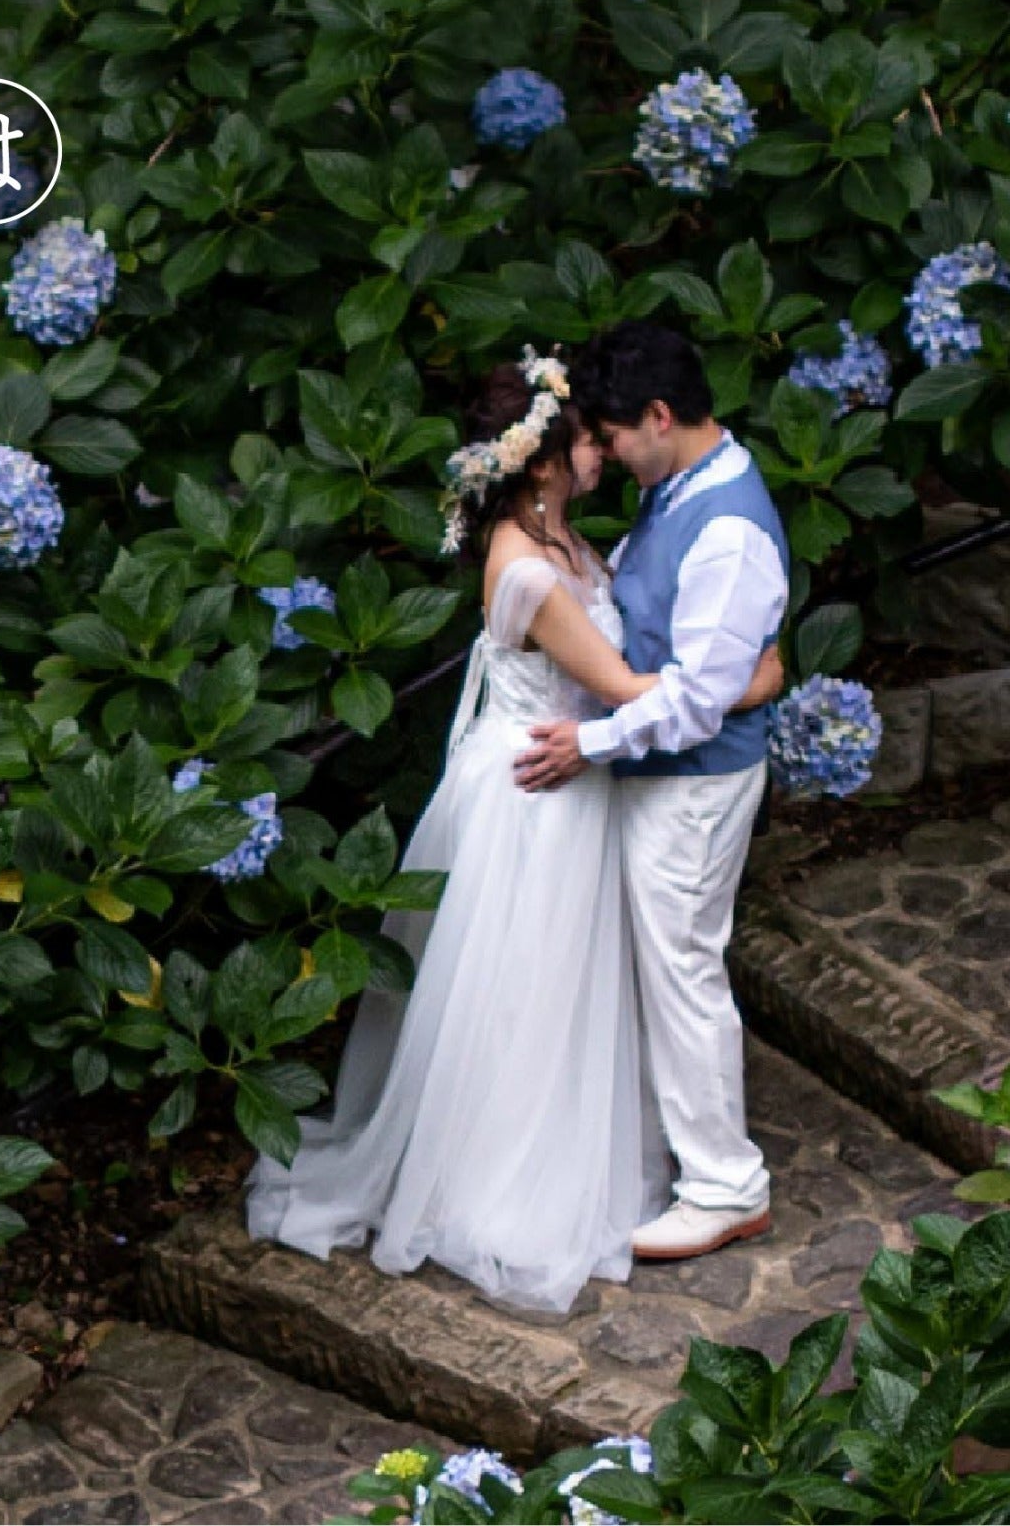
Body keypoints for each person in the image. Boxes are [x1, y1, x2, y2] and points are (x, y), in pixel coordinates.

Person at [243, 350, 784, 1315]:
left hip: (578, 781)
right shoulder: (529, 568)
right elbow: (626, 687)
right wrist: (753, 680)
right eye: (586, 442)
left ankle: (604, 1157)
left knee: (564, 984)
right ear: (541, 462)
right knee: (523, 989)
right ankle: (500, 1181)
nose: (601, 454)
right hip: (541, 793)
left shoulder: (570, 539)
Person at [512, 319, 790, 1264]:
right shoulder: (680, 491)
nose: (607, 454)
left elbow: (694, 702)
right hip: (663, 773)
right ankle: (678, 1157)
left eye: (613, 434)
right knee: (664, 967)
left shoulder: (729, 530)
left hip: (695, 786)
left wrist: (589, 742)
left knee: (683, 971)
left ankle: (725, 1187)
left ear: (661, 416)